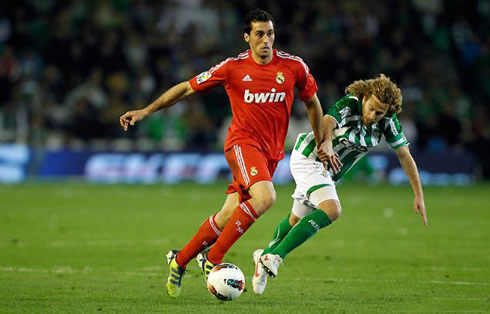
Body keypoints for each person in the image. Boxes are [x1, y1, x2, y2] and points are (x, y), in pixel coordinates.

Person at [119, 8, 327, 297]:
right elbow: (186, 89)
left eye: (270, 33)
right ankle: (212, 258)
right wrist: (145, 111)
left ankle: (179, 261)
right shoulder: (232, 68)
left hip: (271, 153)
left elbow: (314, 104)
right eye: (259, 34)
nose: (266, 40)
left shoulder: (293, 67)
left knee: (228, 214)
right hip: (242, 144)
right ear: (247, 37)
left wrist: (322, 142)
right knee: (265, 197)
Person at [251, 74, 428, 295]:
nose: (373, 115)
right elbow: (327, 120)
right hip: (309, 157)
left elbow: (405, 155)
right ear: (365, 98)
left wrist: (418, 195)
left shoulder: (388, 123)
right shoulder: (350, 104)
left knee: (296, 219)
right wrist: (325, 142)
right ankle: (274, 257)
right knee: (332, 209)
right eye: (371, 108)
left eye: (379, 112)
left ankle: (263, 258)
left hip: (327, 173)